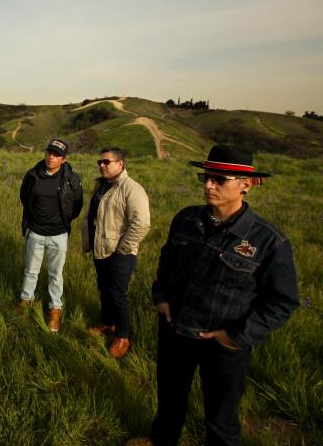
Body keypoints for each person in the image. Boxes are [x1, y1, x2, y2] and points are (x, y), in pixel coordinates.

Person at [127, 145, 299, 446]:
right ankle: (161, 440)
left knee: (221, 419)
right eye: (206, 177)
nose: (209, 185)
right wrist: (162, 297)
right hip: (175, 331)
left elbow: (282, 301)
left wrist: (235, 336)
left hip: (222, 345)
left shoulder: (267, 240)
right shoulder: (186, 220)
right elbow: (167, 263)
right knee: (169, 399)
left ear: (246, 184)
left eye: (219, 179)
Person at [80, 147, 150, 358]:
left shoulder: (132, 189)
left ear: (120, 164)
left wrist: (123, 248)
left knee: (118, 295)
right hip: (100, 249)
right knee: (103, 289)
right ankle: (107, 322)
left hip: (120, 254)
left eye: (106, 162)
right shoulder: (102, 187)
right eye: (100, 162)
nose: (101, 165)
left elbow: (142, 224)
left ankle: (122, 336)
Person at [17, 138, 83, 332]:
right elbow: (24, 198)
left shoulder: (72, 179)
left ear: (63, 159)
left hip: (58, 235)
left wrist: (62, 223)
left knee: (56, 274)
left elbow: (76, 206)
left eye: (56, 155)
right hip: (35, 232)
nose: (51, 157)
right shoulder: (32, 175)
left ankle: (55, 308)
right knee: (31, 270)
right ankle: (26, 299)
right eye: (49, 153)